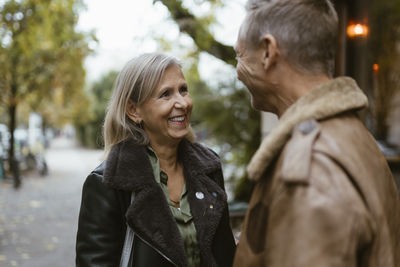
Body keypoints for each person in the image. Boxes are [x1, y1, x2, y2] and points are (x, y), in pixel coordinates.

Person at [233, 0, 400, 266]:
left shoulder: (308, 165)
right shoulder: (357, 135)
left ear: (268, 51)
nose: (237, 70)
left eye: (239, 55)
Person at [76, 53, 236, 267]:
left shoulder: (210, 168)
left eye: (183, 90)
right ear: (134, 110)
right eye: (165, 94)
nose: (182, 103)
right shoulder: (107, 183)